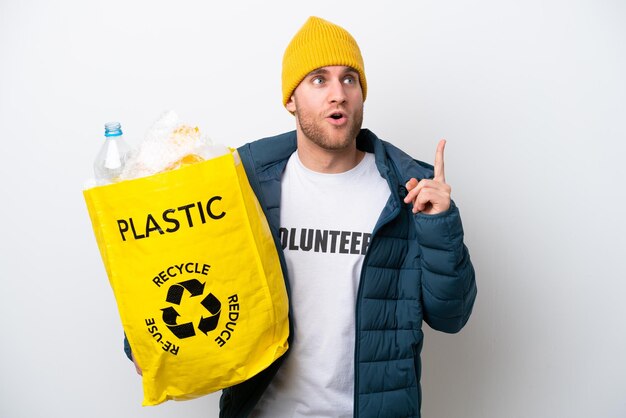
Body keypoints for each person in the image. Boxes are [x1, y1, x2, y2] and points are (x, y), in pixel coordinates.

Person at [128, 16, 477, 418]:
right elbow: (177, 261)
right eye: (318, 80)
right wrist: (140, 340)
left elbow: (452, 317)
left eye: (350, 79)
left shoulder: (410, 191)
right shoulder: (244, 184)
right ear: (290, 99)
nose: (338, 94)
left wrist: (440, 225)